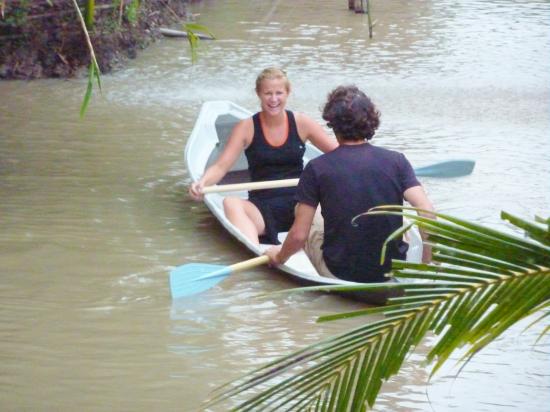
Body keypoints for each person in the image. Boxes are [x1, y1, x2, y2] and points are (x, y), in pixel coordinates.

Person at [265, 85, 434, 284]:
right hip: (392, 271)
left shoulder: (316, 168)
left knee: (307, 215)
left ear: (332, 123)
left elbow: (299, 235)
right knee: (402, 222)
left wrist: (279, 256)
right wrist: (428, 263)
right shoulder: (397, 161)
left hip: (340, 273)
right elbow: (427, 211)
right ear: (371, 121)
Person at [189, 67, 338, 245]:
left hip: (301, 203)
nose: (273, 99)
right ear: (259, 94)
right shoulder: (246, 127)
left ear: (287, 93)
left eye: (279, 93)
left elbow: (339, 153)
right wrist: (202, 183)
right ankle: (257, 251)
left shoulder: (302, 123)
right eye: (268, 93)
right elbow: (221, 167)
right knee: (230, 203)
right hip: (263, 205)